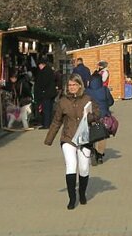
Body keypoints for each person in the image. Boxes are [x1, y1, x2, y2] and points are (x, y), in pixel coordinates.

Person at [45, 75, 101, 210]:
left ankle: (82, 193)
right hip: (68, 138)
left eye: (74, 85)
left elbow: (97, 115)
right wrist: (49, 139)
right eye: (70, 85)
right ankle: (72, 198)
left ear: (80, 85)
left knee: (84, 167)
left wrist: (89, 116)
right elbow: (57, 121)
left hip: (84, 139)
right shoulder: (63, 102)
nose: (72, 87)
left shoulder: (88, 99)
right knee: (71, 165)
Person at [85, 73, 114, 165]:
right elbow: (111, 102)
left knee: (91, 134)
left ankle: (92, 150)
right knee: (102, 136)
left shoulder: (86, 91)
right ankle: (100, 155)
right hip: (103, 116)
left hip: (91, 116)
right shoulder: (105, 90)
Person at [34, 56, 58, 129]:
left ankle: (46, 124)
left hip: (46, 94)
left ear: (42, 64)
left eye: (39, 65)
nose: (39, 67)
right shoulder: (49, 70)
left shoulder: (44, 72)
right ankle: (48, 123)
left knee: (46, 109)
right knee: (49, 109)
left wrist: (41, 91)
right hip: (51, 93)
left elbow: (43, 83)